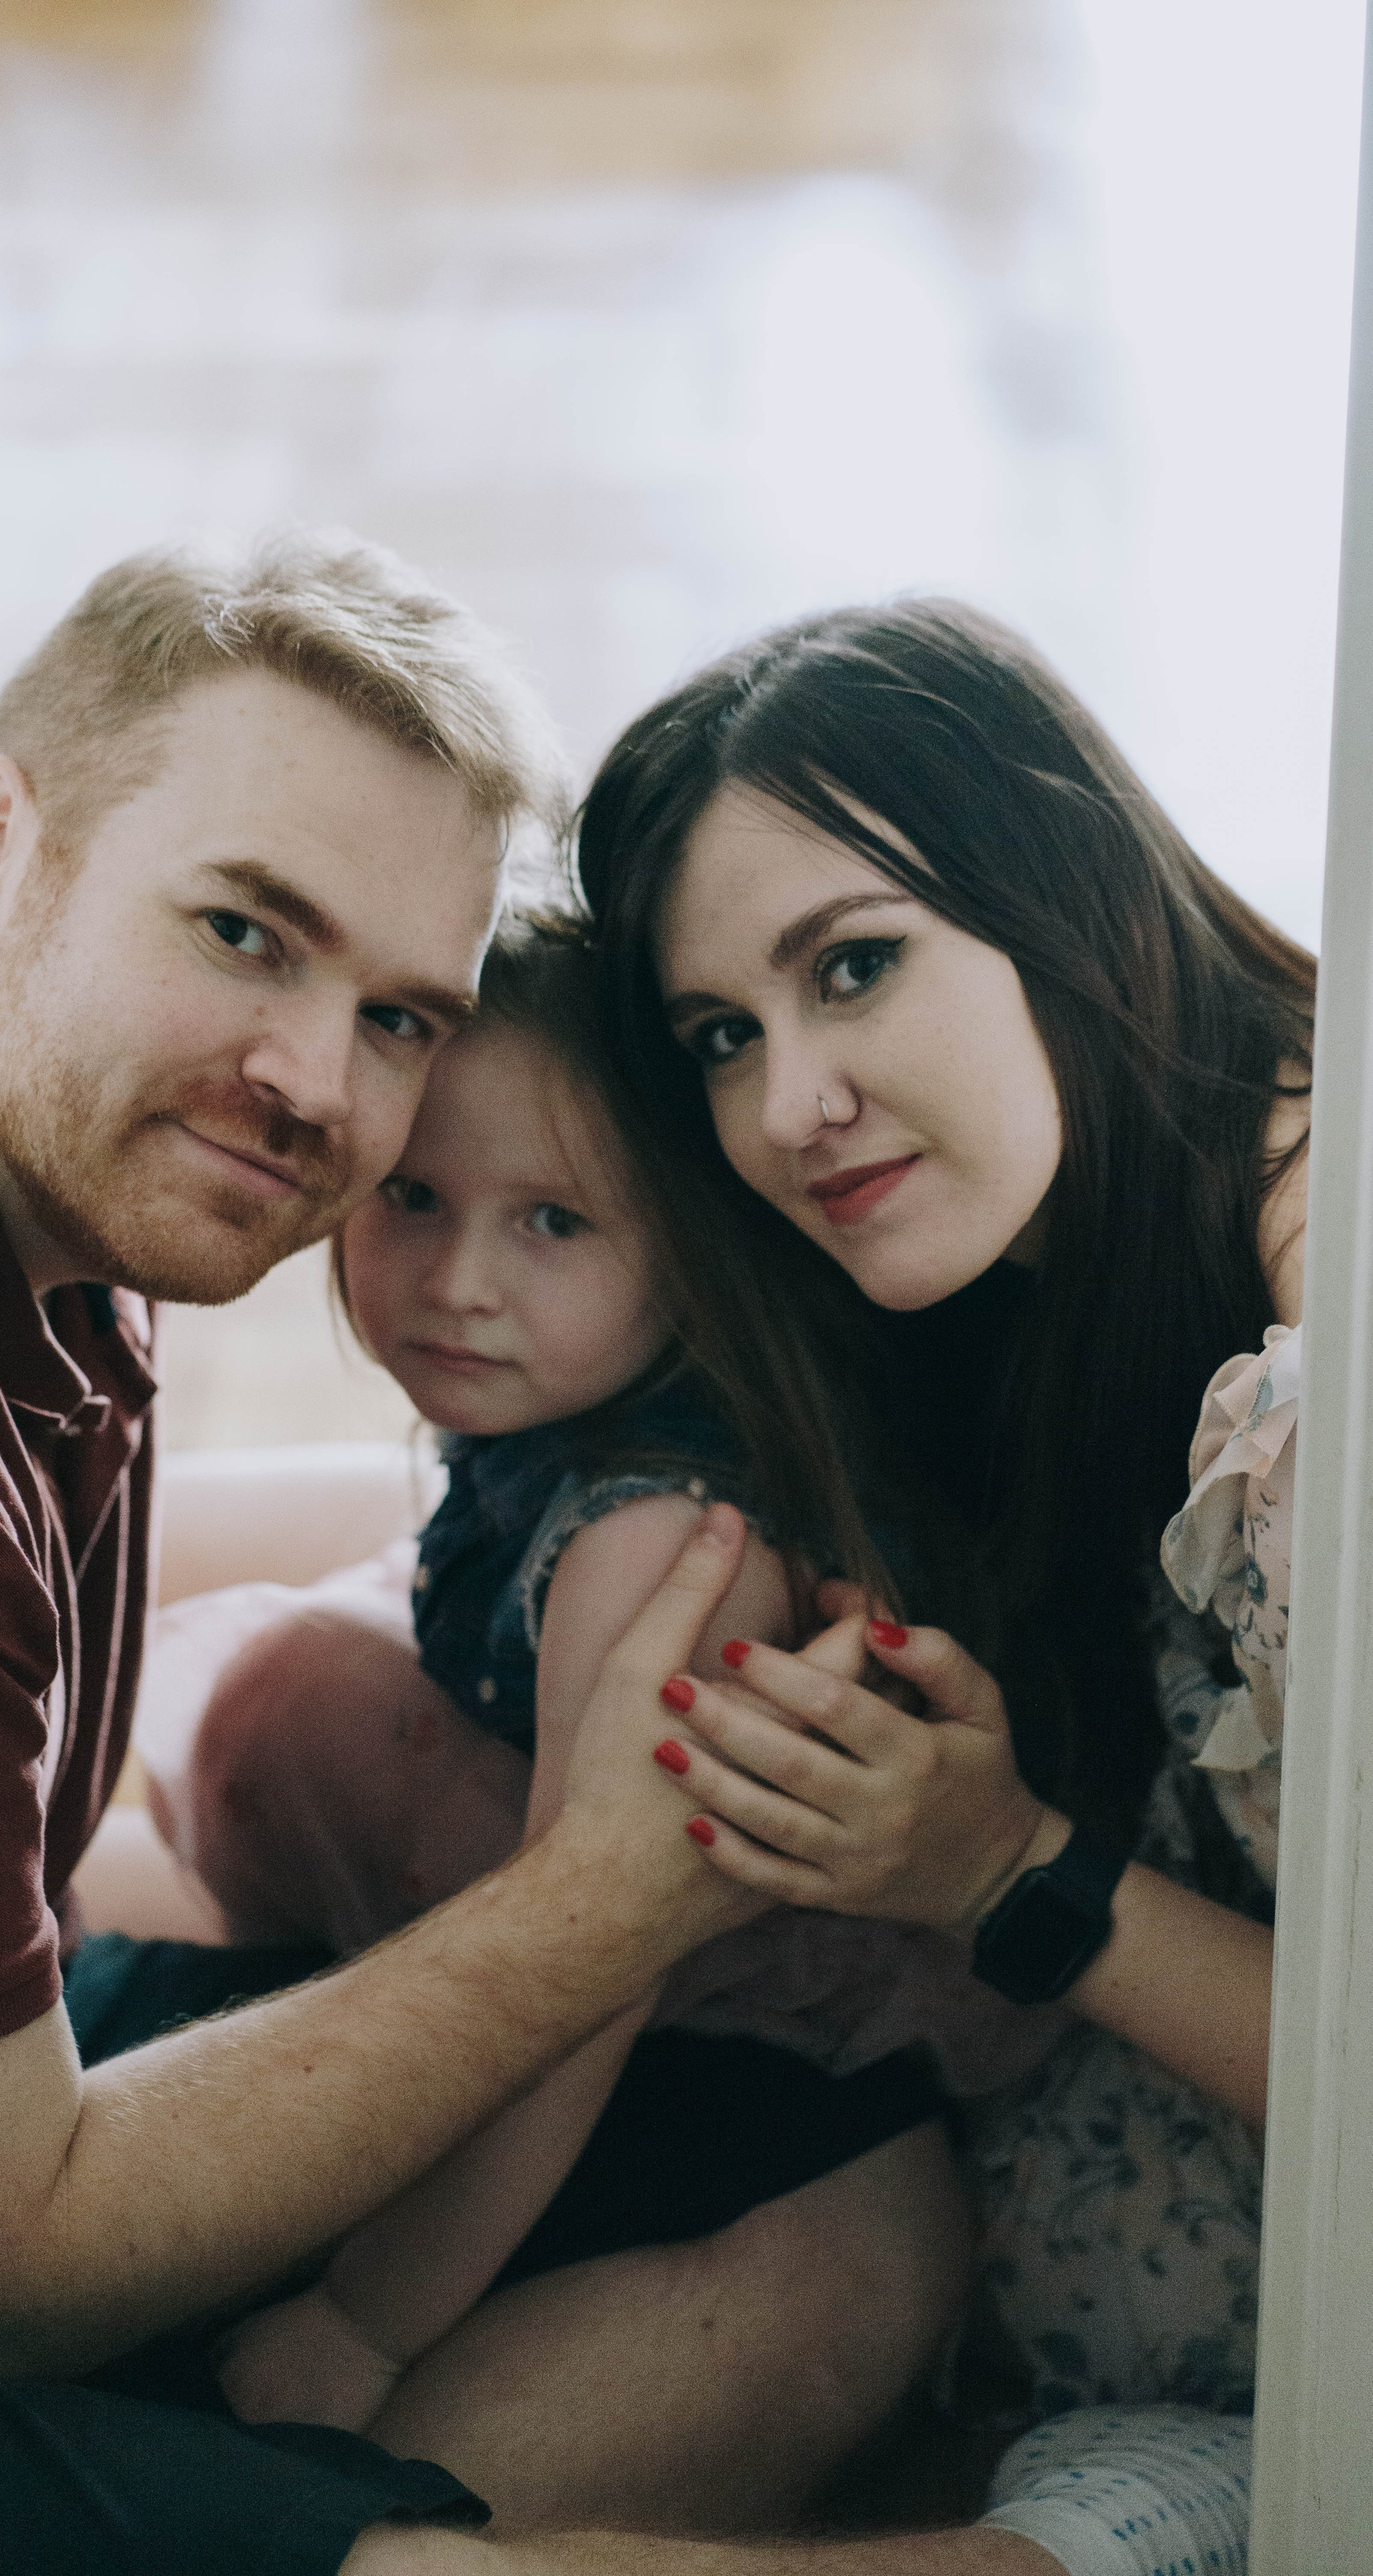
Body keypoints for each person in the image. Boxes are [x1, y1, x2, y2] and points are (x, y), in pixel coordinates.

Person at [0, 536, 973, 2576]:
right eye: (244, 932)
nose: (316, 1087)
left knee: (855, 2187)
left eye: (399, 1013)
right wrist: (614, 1892)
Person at [569, 594, 1303, 2570]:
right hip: (1081, 2318)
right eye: (722, 1037)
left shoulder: (1314, 1368)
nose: (782, 1109)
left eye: (855, 966)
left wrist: (1006, 1874)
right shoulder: (1015, 1289)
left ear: (1065, 890)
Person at [148, 916, 1010, 2503]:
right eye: (412, 1197)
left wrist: (365, 2321)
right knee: (274, 1692)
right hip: (614, 2001)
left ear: (687, 1251)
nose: (456, 1283)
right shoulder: (556, 1413)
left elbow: (586, 1966)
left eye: (551, 1221)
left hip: (752, 2075)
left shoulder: (658, 1549)